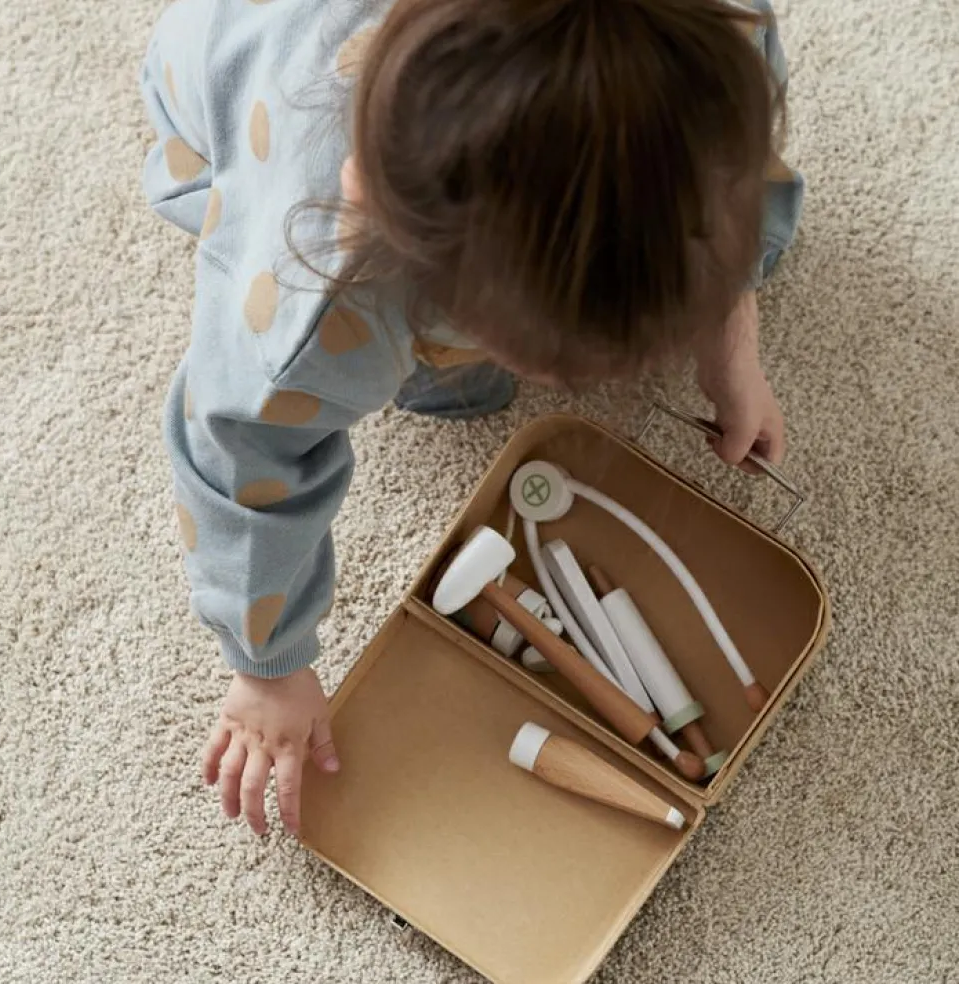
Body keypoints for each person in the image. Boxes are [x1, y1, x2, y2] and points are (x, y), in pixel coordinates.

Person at [139, 0, 803, 836]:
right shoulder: (320, 297)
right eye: (550, 360)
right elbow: (237, 458)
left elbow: (734, 173)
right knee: (452, 388)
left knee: (729, 244)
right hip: (230, 87)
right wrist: (268, 668)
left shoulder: (715, 36)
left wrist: (730, 335)